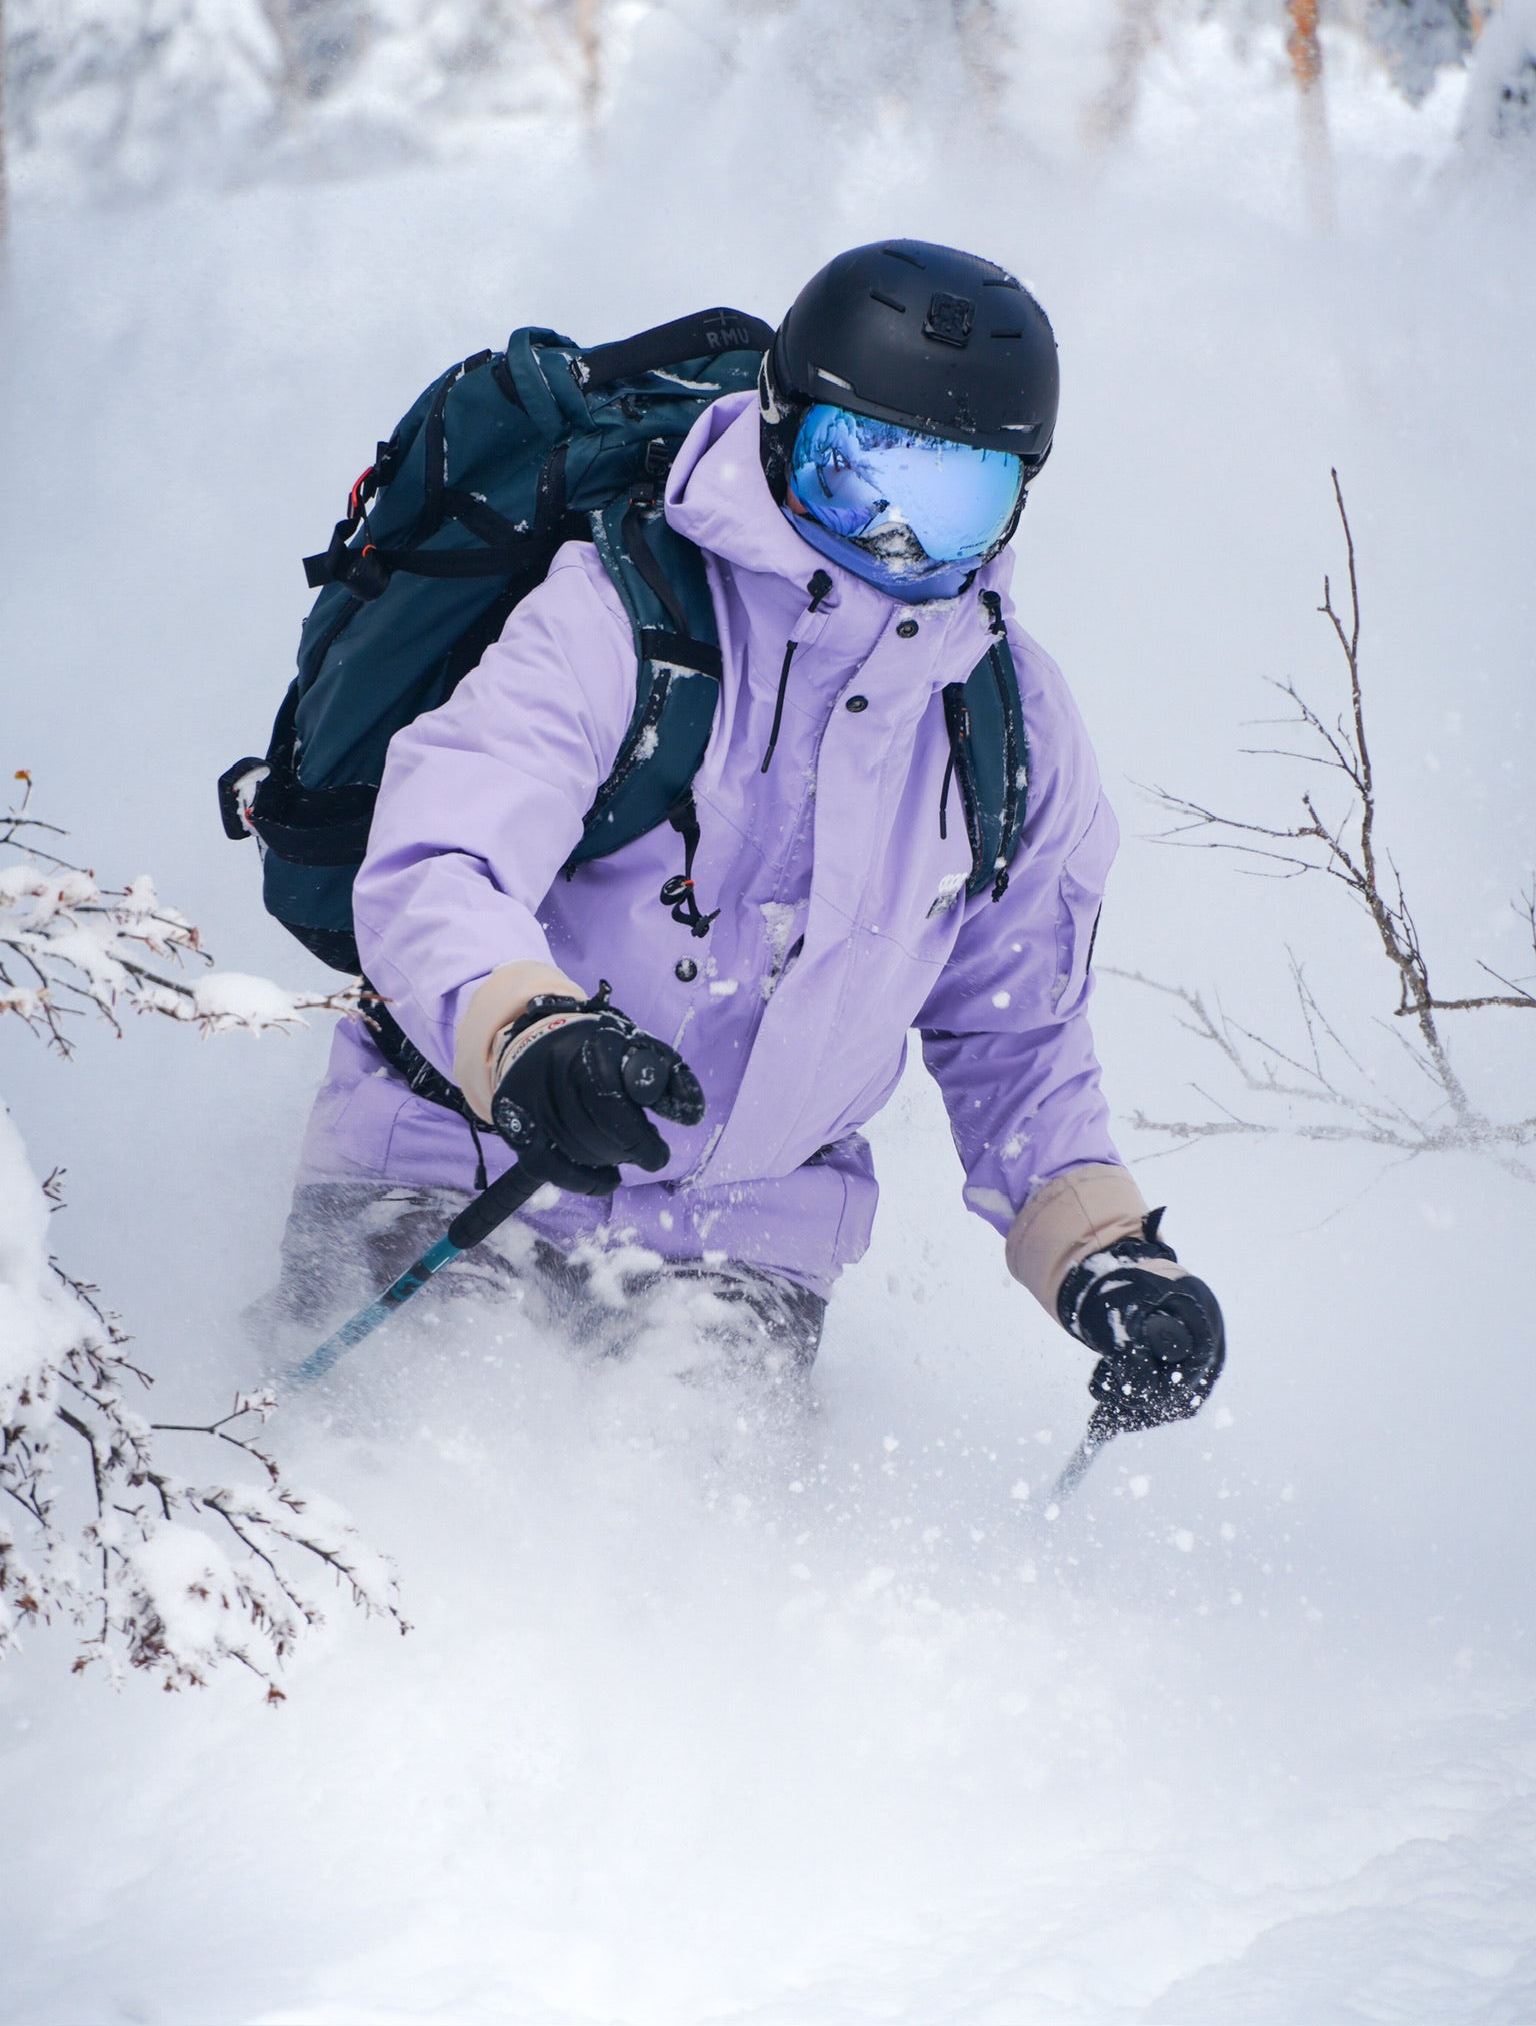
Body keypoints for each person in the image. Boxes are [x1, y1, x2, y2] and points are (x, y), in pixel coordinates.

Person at [270, 239, 1225, 1418]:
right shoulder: (624, 610)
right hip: (458, 1168)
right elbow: (438, 858)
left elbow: (1016, 1034)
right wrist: (525, 1033)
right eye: (854, 475)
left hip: (745, 1250)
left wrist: (1104, 1252)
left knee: (698, 1551)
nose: (893, 543)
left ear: (1018, 495)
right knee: (404, 1494)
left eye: (951, 502)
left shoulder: (1005, 716)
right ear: (778, 429)